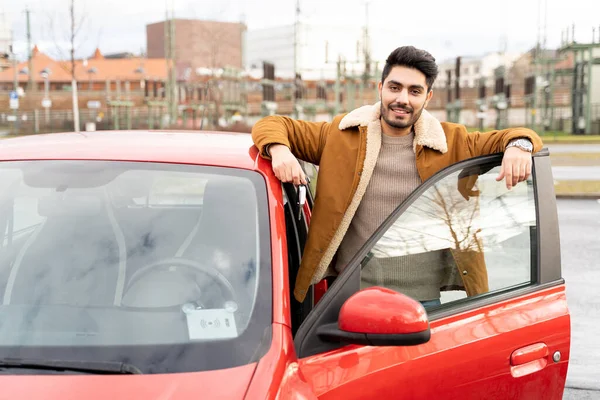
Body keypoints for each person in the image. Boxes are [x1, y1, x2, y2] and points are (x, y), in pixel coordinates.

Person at [251, 46, 543, 303]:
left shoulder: (451, 140)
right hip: (352, 298)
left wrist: (519, 146)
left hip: (423, 303)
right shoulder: (341, 135)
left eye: (414, 91)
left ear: (427, 97)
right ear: (380, 88)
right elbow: (272, 124)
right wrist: (279, 150)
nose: (402, 98)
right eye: (395, 87)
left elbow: (516, 135)